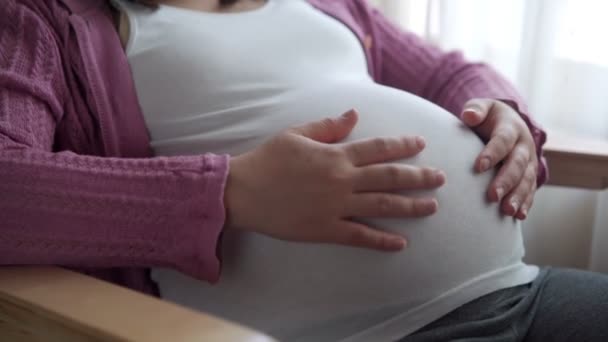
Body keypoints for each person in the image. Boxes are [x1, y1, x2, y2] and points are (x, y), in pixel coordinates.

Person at [1, 0, 607, 341]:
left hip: (517, 294)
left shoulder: (323, 4)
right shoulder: (44, 17)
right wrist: (229, 192)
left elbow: (451, 72)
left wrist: (508, 116)